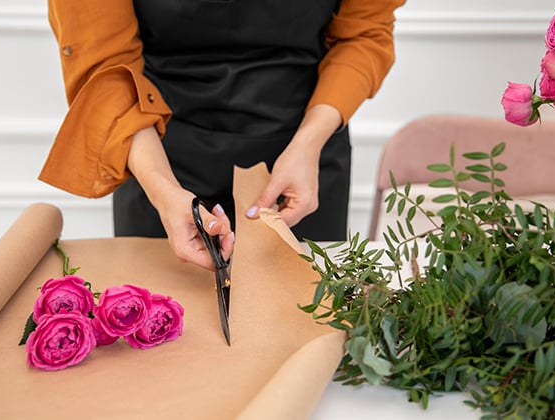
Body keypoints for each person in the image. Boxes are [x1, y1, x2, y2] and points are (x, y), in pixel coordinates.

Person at [39, 0, 406, 271]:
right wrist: (163, 189)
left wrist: (309, 142)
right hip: (155, 150)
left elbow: (364, 33)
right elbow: (106, 66)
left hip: (302, 154)